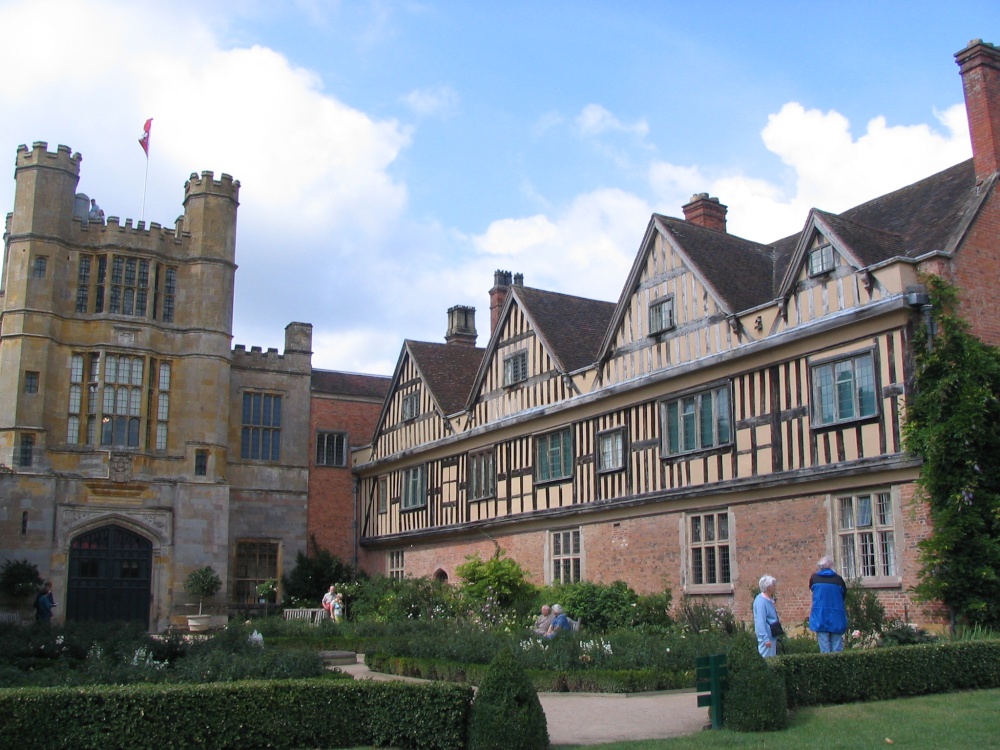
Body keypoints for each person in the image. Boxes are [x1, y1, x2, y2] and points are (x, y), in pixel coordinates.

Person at [809, 555, 848, 652]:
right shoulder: (838, 579)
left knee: (824, 645)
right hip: (836, 615)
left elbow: (812, 590)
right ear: (831, 565)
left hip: (820, 615)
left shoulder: (814, 578)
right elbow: (843, 595)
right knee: (837, 645)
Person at [753, 575, 781, 658]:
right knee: (766, 660)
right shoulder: (760, 602)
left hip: (772, 635)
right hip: (767, 637)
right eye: (773, 585)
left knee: (772, 658)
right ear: (768, 587)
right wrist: (765, 638)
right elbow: (760, 621)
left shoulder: (768, 599)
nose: (775, 587)